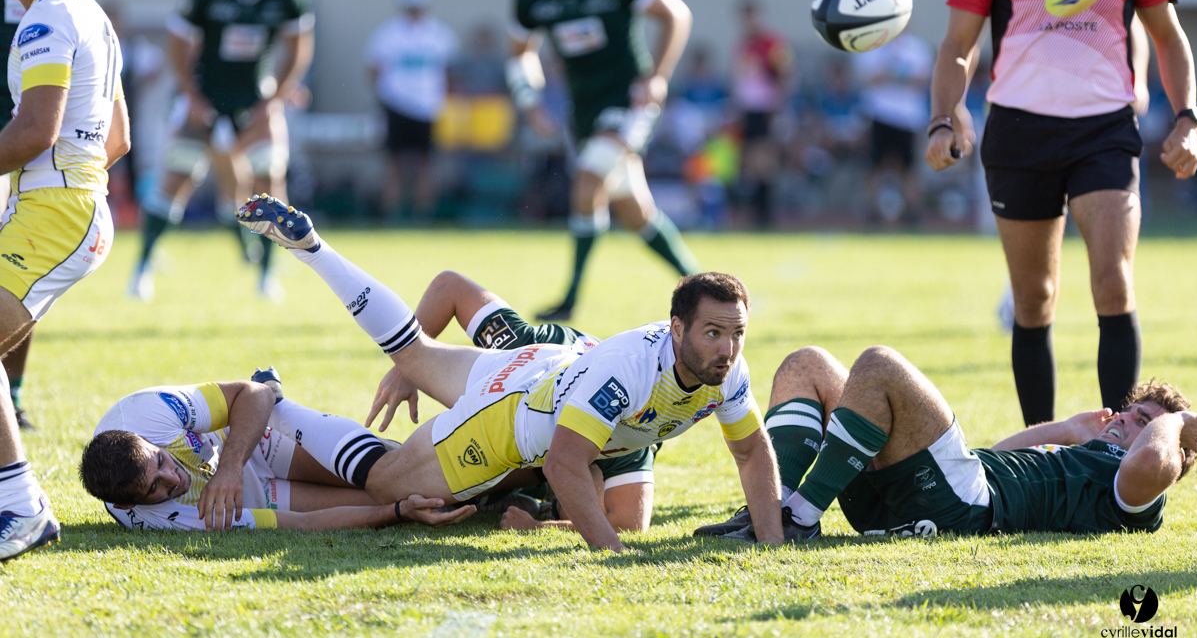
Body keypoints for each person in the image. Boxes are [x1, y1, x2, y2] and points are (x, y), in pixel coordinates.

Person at [235, 193, 783, 551]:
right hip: (506, 420)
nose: (728, 348)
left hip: (544, 364)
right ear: (676, 329)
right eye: (713, 333)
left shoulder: (726, 371)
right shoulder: (628, 374)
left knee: (415, 353)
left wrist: (773, 543)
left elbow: (753, 451)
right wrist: (612, 555)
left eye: (737, 334)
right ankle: (278, 405)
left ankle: (316, 251)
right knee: (385, 487)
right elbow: (568, 465)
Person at [926, 0, 1197, 425]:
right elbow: (957, 44)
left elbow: (1168, 38)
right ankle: (1041, 448)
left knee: (1113, 282)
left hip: (1103, 132)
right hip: (1019, 135)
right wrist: (941, 119)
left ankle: (1119, 449)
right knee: (1034, 299)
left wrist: (1188, 117)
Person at [697, 345, 1197, 541]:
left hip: (966, 506)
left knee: (879, 365)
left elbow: (1152, 455)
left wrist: (1178, 422)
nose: (1127, 420)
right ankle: (773, 508)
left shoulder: (1139, 493)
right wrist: (1066, 430)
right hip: (949, 487)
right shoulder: (1087, 453)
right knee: (806, 365)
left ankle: (798, 518)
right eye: (1131, 413)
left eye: (1141, 420)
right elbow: (998, 456)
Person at [0, 0, 130, 562]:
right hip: (64, 209)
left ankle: (22, 509)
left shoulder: (47, 20)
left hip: (56, 213)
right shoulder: (88, 13)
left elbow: (33, 133)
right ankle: (18, 502)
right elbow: (120, 136)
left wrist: (62, 191)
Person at [506, 0, 700, 322]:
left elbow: (676, 15)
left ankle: (571, 297)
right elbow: (520, 54)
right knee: (635, 213)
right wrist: (530, 101)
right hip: (584, 111)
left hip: (629, 101)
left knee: (588, 179)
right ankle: (702, 285)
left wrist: (658, 75)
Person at [368, 269, 658, 535]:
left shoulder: (627, 431)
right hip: (534, 397)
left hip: (562, 447)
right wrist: (406, 368)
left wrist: (541, 526)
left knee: (564, 469)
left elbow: (628, 524)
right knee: (406, 479)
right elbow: (449, 286)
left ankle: (510, 494)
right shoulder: (522, 346)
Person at [132, 0, 314, 302]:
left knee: (267, 182)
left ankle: (266, 274)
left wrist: (277, 98)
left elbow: (299, 46)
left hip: (254, 102)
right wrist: (191, 95)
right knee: (180, 178)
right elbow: (178, 42)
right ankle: (142, 268)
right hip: (207, 102)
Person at [78, 367, 475, 532]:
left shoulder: (145, 412)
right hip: (254, 497)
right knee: (399, 496)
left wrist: (230, 467)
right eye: (156, 490)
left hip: (250, 443)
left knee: (388, 471)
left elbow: (252, 393)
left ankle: (495, 467)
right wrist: (398, 512)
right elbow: (298, 525)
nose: (173, 479)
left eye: (162, 461)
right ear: (132, 507)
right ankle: (487, 495)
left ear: (148, 441)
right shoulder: (161, 521)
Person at [0, 0, 90, 432]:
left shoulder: (53, 13)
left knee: (14, 281)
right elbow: (118, 131)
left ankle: (15, 392)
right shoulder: (68, 5)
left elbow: (37, 130)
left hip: (29, 133)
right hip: (54, 173)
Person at [364, 0, 457, 223]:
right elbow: (374, 68)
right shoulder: (388, 34)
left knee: (425, 165)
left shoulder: (439, 34)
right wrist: (388, 96)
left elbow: (449, 71)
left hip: (428, 108)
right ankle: (391, 214)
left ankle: (422, 215)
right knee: (393, 163)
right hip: (396, 106)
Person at [855, 33, 933, 224]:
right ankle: (871, 214)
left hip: (908, 118)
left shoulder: (918, 48)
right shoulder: (871, 46)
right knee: (874, 168)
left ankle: (912, 215)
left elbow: (922, 81)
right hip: (879, 115)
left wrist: (890, 76)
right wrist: (901, 76)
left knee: (909, 170)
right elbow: (870, 78)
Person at [730, 0, 791, 227]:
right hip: (748, 108)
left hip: (765, 108)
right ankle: (756, 208)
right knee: (751, 161)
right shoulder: (742, 44)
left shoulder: (771, 43)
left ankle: (766, 211)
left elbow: (783, 74)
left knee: (764, 159)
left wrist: (777, 104)